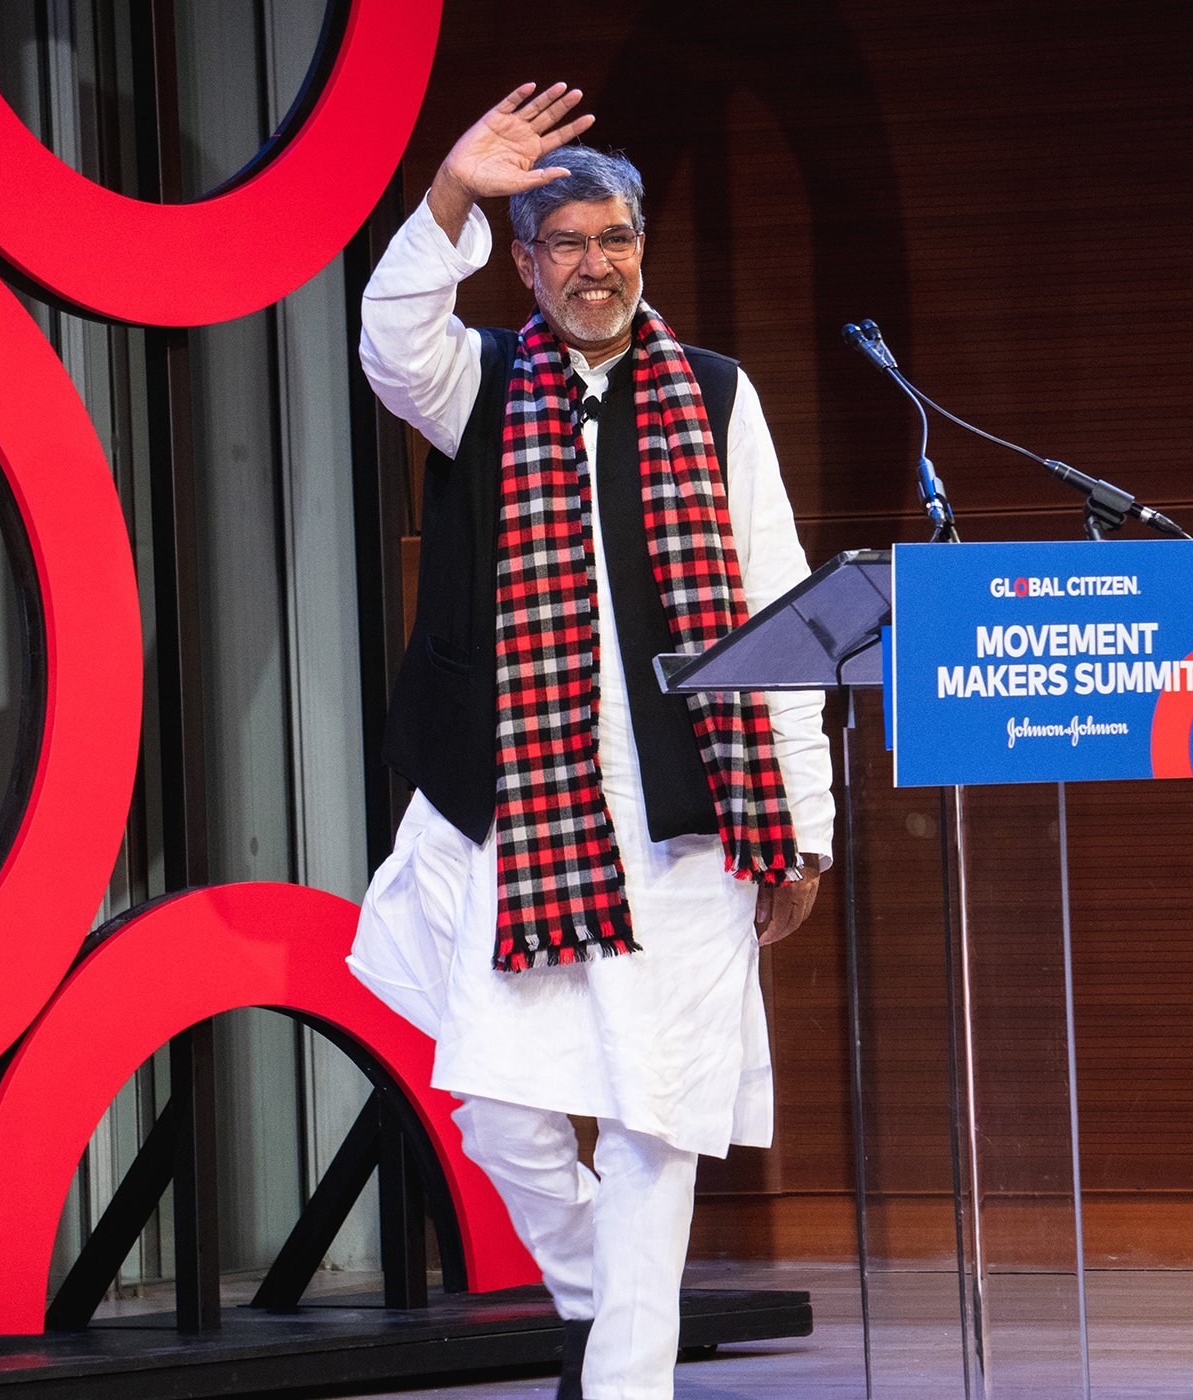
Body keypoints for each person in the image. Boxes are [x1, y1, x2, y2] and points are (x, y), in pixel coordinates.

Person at [349, 82, 833, 1400]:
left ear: (639, 251)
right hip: (525, 815)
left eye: (612, 239)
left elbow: (785, 613)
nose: (593, 264)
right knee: (503, 1110)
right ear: (524, 264)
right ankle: (599, 1299)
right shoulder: (479, 386)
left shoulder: (716, 398)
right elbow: (392, 341)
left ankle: (625, 1380)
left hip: (684, 824)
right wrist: (450, 187)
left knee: (657, 1123)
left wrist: (800, 830)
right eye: (563, 243)